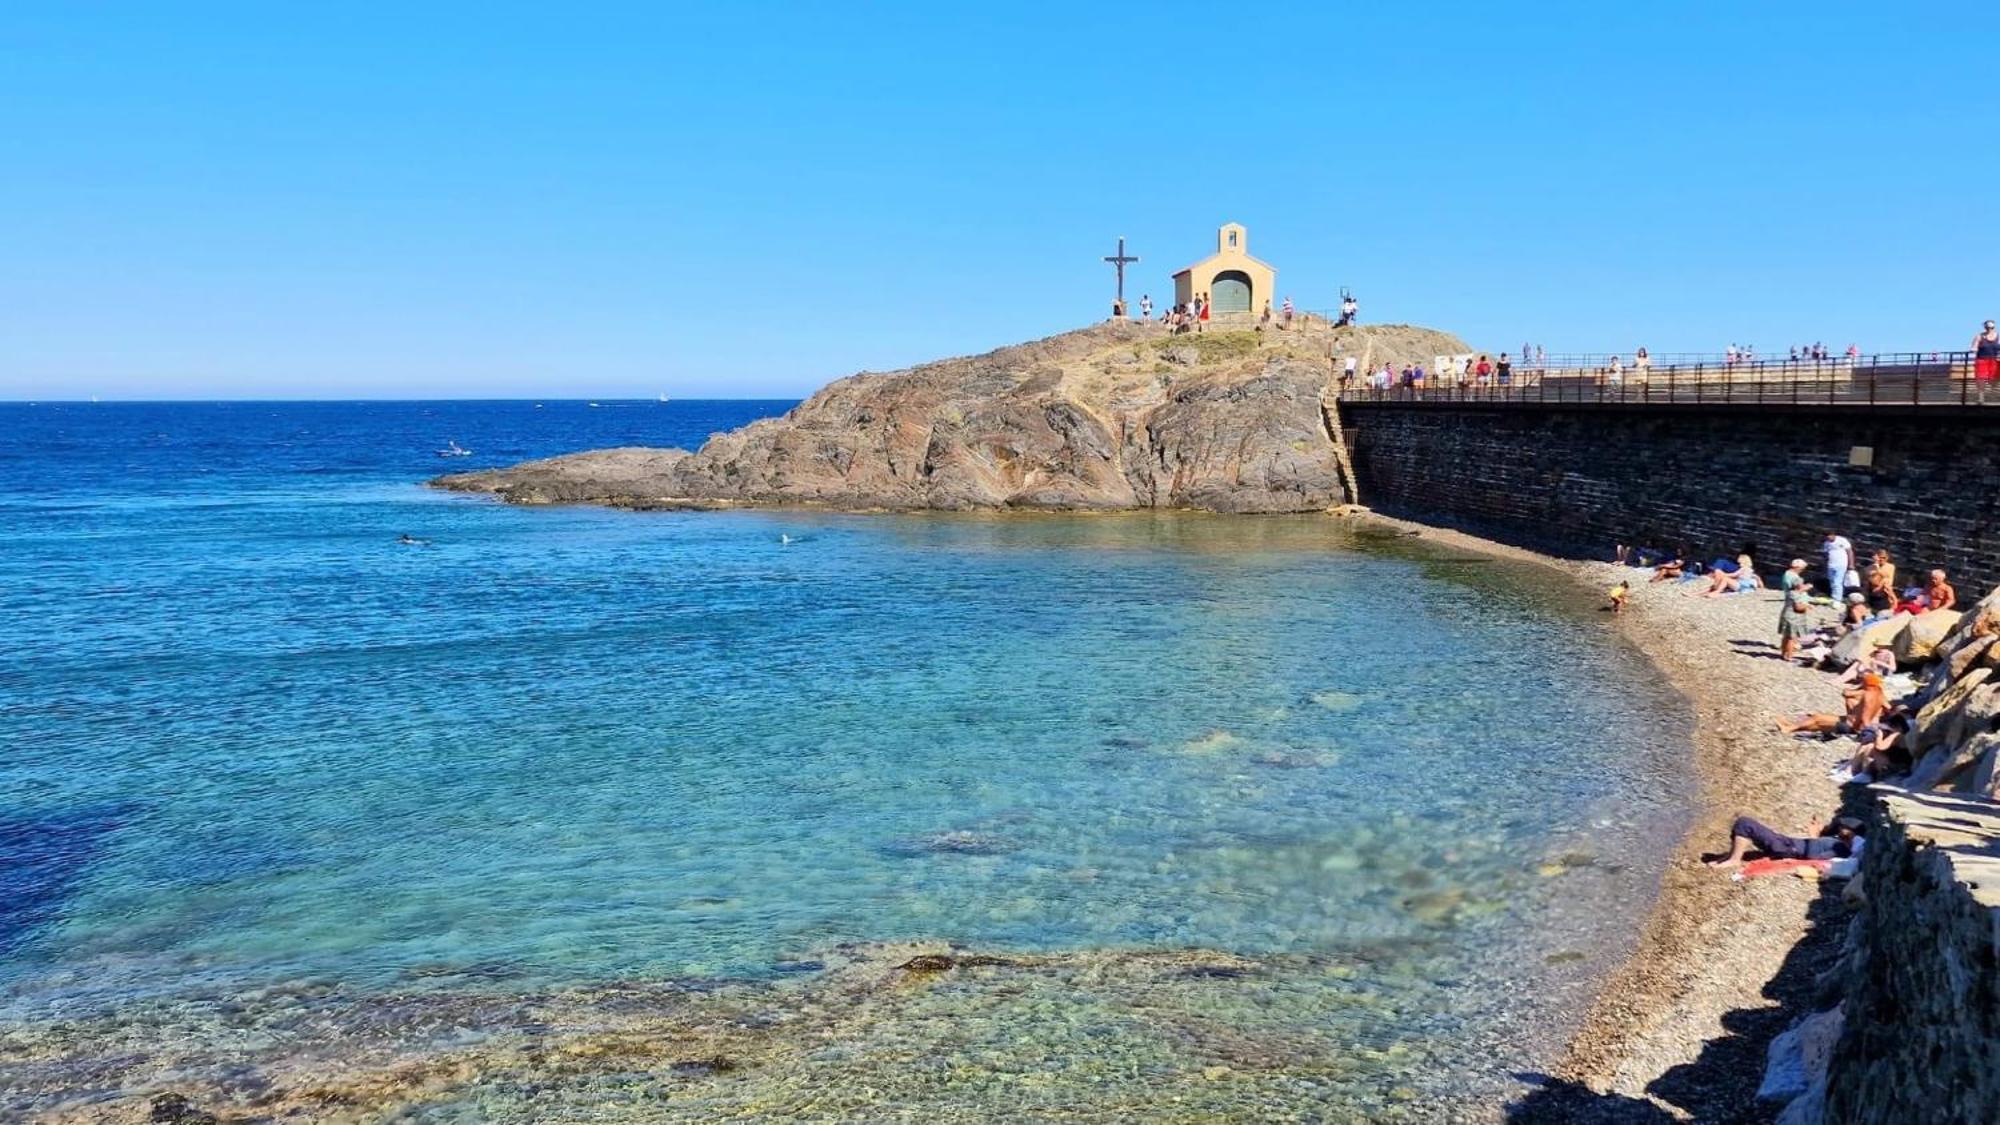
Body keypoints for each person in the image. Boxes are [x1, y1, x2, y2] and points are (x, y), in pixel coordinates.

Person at [1705, 815, 1866, 870]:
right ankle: (1731, 855)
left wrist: (1813, 837)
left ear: (1852, 833)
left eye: (1845, 828)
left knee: (1744, 823)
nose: (1841, 828)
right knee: (1745, 824)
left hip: (1788, 849)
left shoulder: (1841, 849)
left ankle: (1734, 860)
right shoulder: (1839, 841)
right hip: (1787, 843)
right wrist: (1817, 832)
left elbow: (1816, 858)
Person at [1776, 672, 1888, 736]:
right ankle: (1791, 726)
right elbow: (1889, 708)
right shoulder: (1881, 695)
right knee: (1819, 724)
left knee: (1817, 717)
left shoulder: (1866, 694)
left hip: (1852, 726)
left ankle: (1789, 728)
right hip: (1852, 723)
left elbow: (1864, 717)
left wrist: (1863, 732)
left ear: (1866, 684)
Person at [1778, 559, 1814, 662]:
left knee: (1786, 636)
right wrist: (1808, 606)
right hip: (1794, 616)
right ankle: (1789, 656)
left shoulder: (1790, 590)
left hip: (1786, 612)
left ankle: (1783, 653)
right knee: (1792, 637)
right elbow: (1798, 607)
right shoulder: (1795, 593)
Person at [1972, 319, 2000, 405]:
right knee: (1981, 379)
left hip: (1994, 360)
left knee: (1994, 379)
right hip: (1982, 360)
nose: (1989, 329)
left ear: (1994, 327)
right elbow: (1974, 346)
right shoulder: (1979, 336)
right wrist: (1974, 349)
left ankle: (1995, 396)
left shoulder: (1998, 336)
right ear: (1985, 327)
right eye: (1987, 327)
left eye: (1991, 327)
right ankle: (1981, 398)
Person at [1822, 532, 1854, 603]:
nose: (1829, 537)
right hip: (1831, 565)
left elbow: (1849, 552)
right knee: (1832, 582)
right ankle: (1833, 596)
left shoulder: (1842, 540)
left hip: (1841, 564)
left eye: (1830, 535)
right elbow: (1825, 555)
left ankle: (1837, 599)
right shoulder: (1826, 543)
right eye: (1827, 536)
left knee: (1837, 582)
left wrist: (1851, 564)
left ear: (1834, 535)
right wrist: (1825, 565)